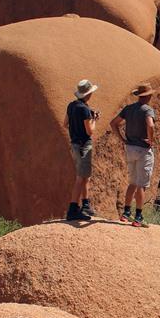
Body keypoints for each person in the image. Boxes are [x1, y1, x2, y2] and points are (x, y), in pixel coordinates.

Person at [110, 84, 156, 227]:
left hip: (130, 148)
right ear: (147, 96)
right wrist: (151, 140)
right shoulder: (147, 110)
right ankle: (138, 217)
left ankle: (125, 213)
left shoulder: (128, 109)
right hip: (143, 150)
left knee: (132, 182)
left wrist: (122, 139)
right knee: (141, 185)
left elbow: (113, 123)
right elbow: (151, 125)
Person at [64, 79, 99, 221]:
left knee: (85, 176)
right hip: (84, 145)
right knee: (80, 177)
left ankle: (85, 205)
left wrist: (75, 129)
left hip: (74, 144)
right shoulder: (84, 109)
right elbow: (90, 131)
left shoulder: (71, 106)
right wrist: (94, 119)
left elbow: (65, 124)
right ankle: (73, 209)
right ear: (87, 94)